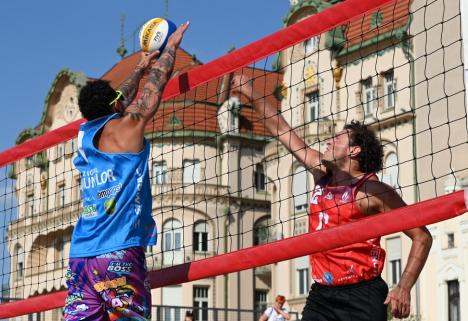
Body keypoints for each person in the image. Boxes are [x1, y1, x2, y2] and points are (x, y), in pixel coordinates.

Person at [231, 75, 433, 321]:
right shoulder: (322, 173)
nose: (329, 141)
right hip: (322, 294)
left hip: (362, 295)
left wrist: (404, 287)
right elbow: (282, 130)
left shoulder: (372, 191)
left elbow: (422, 235)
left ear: (354, 150)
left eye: (338, 138)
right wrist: (251, 94)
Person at [63, 22, 190, 321]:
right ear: (115, 104)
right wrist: (170, 47)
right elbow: (154, 87)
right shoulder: (128, 127)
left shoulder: (83, 137)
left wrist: (139, 66)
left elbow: (118, 98)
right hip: (118, 252)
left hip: (82, 255)